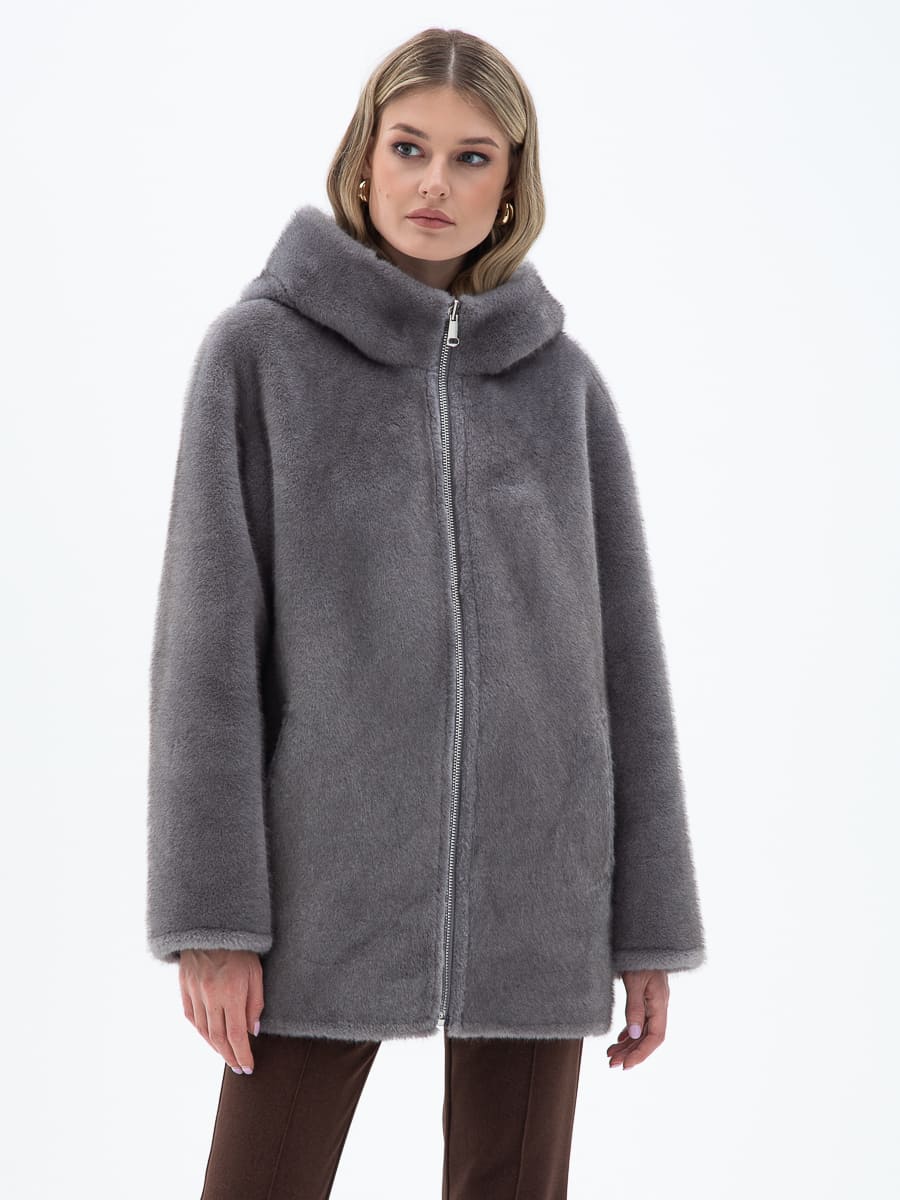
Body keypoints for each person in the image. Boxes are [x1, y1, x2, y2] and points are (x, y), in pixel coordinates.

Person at [145, 26, 707, 1200]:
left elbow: (625, 672)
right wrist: (212, 919)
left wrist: (646, 927)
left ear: (512, 185)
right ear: (364, 158)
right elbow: (205, 664)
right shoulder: (259, 357)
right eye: (409, 148)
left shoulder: (563, 387)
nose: (434, 184)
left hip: (541, 890)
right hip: (319, 889)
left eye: (471, 158)